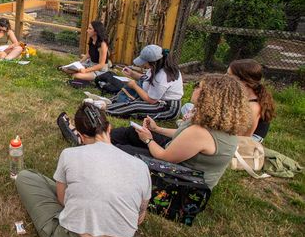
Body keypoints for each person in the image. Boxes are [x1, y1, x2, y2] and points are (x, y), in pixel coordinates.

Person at [16, 102, 151, 237]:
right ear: (109, 128)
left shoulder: (69, 155)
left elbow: (62, 200)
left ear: (80, 135)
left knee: (25, 177)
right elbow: (139, 217)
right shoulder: (140, 166)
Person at [111, 74, 251, 190]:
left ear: (209, 96)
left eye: (198, 87)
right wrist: (157, 129)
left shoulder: (200, 132)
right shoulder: (215, 121)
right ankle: (98, 140)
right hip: (180, 157)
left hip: (185, 179)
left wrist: (148, 139)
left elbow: (164, 157)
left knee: (121, 152)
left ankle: (101, 152)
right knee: (132, 131)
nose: (194, 89)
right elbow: (183, 136)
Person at [105, 44, 183, 120]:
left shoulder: (162, 76)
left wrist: (135, 86)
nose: (143, 64)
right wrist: (132, 73)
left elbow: (151, 100)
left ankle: (105, 110)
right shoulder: (157, 67)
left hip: (167, 108)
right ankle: (106, 102)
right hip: (157, 99)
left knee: (136, 106)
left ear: (152, 62)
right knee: (128, 92)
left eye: (144, 62)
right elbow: (145, 78)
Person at [228, 59, 275, 140]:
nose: (224, 77)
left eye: (229, 75)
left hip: (249, 138)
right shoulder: (241, 91)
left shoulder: (253, 107)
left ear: (244, 80)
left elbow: (244, 137)